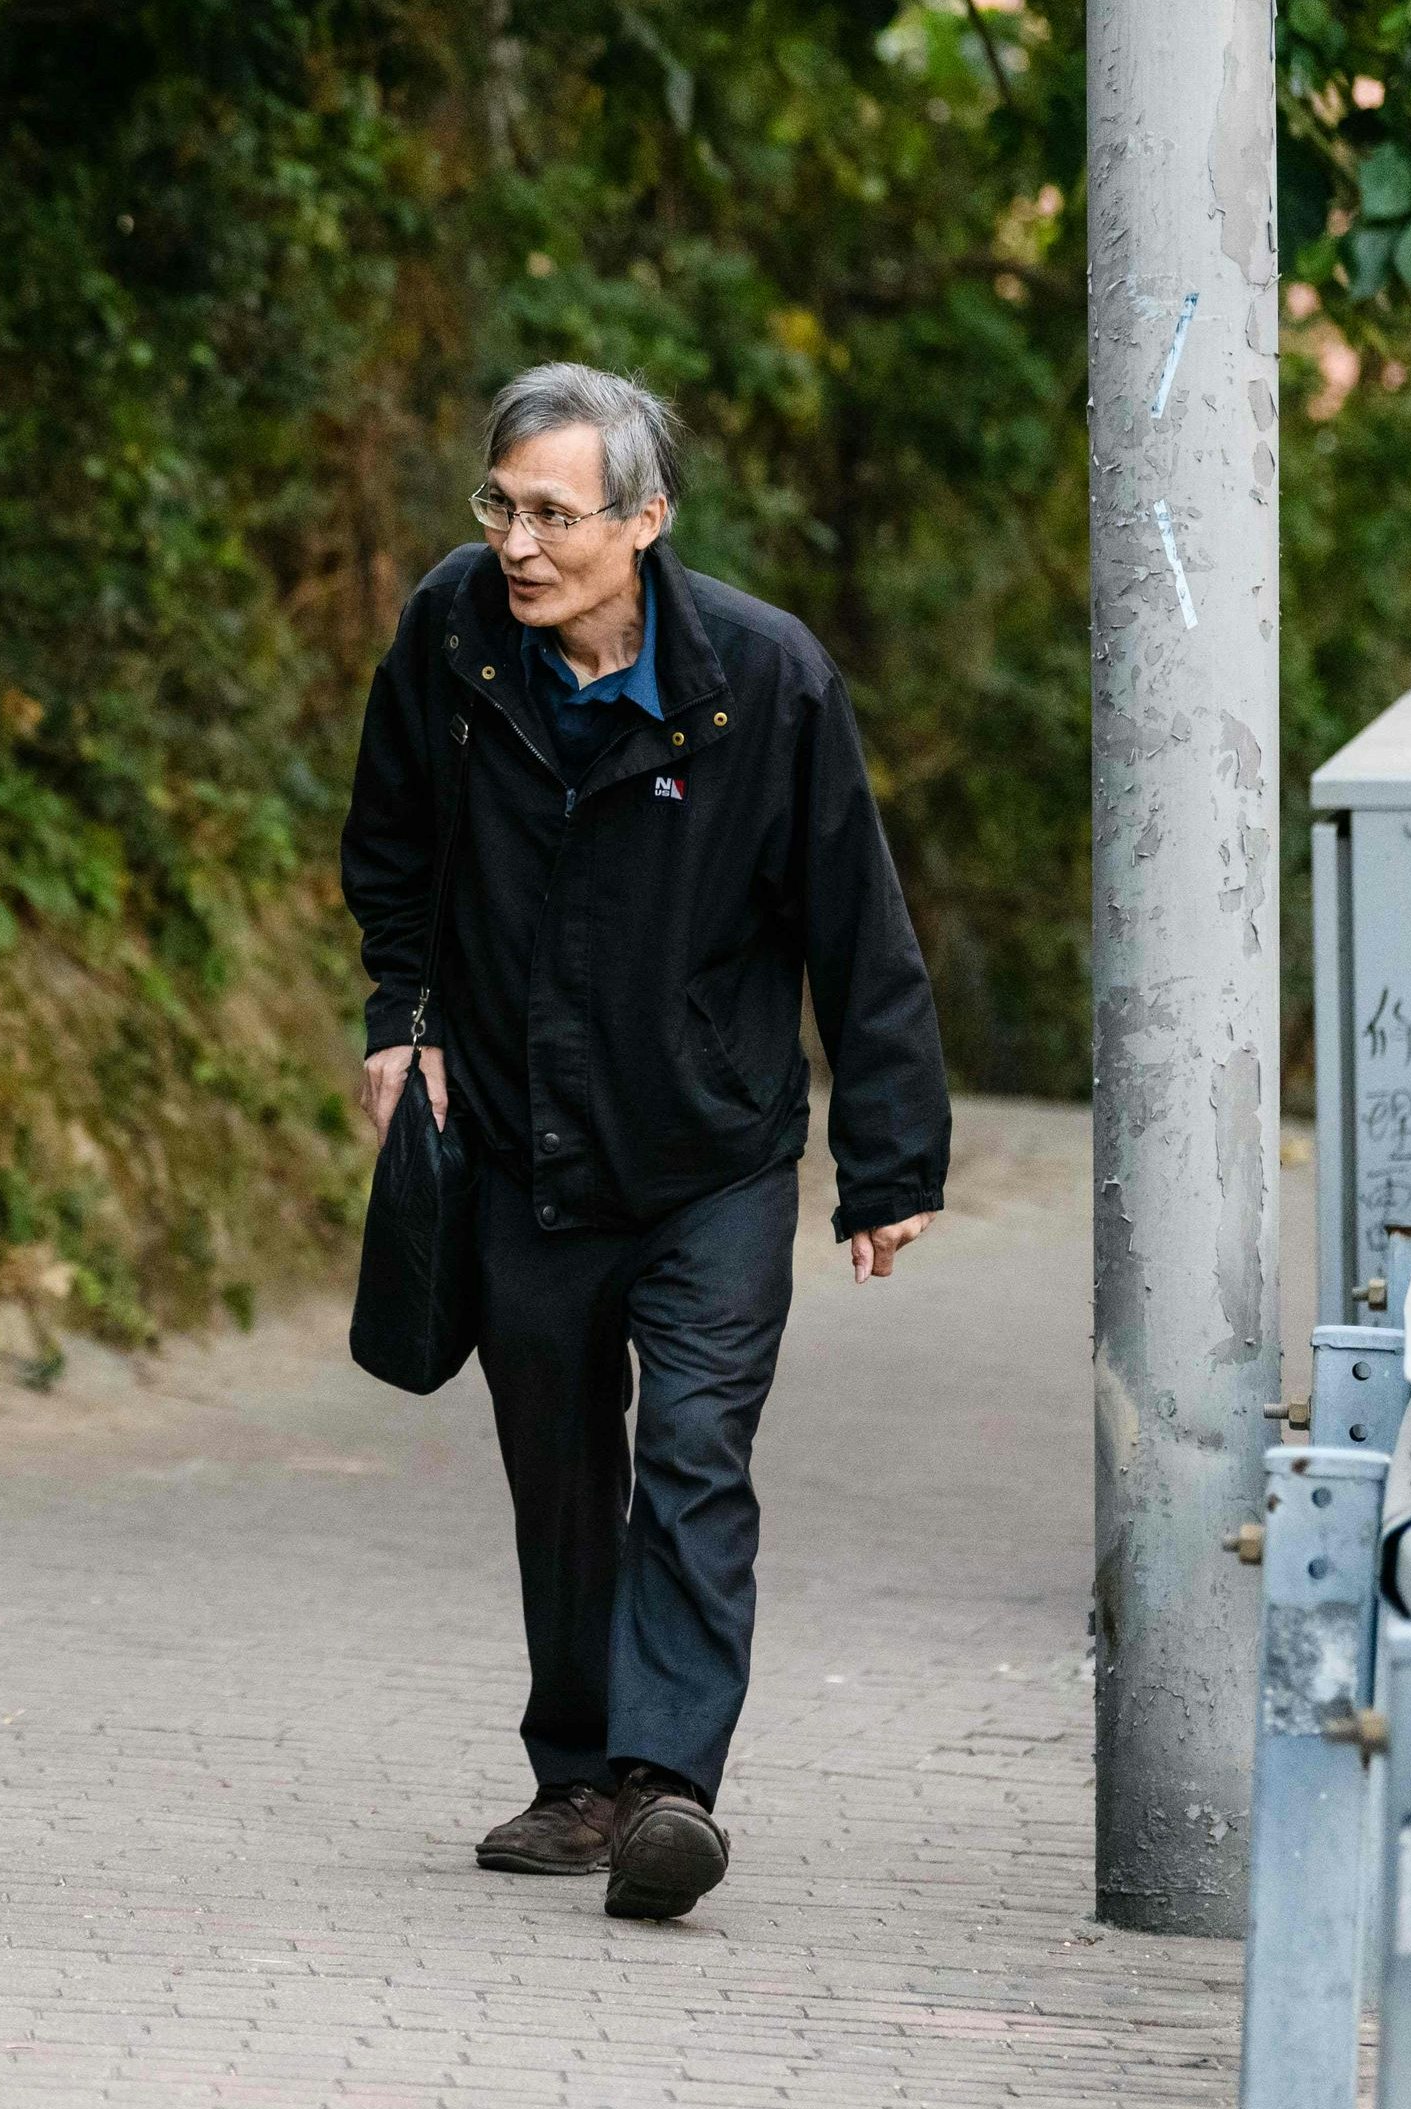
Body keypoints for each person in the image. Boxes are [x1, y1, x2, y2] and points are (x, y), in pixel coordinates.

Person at [339, 363, 950, 1921]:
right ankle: (578, 1781)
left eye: (555, 514)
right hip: (527, 1145)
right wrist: (397, 1015)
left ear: (645, 519)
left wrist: (890, 1160)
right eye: (501, 507)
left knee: (689, 1450)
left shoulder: (765, 679)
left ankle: (670, 1786)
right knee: (557, 1463)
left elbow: (855, 927)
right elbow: (391, 842)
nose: (519, 545)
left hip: (712, 1157)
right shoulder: (454, 635)